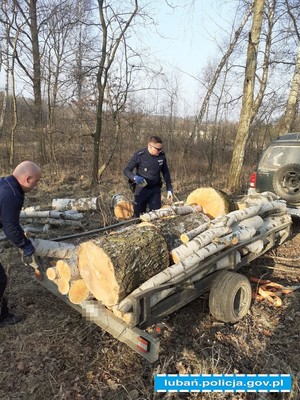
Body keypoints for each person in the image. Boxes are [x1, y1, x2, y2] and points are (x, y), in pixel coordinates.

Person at [0, 161, 41, 327]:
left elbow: (9, 221)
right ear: (27, 178)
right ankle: (2, 317)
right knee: (0, 279)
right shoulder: (12, 195)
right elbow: (10, 227)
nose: (36, 186)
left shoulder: (6, 184)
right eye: (36, 181)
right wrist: (25, 245)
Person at [124, 136, 173, 217]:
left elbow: (165, 172)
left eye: (161, 149)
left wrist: (169, 188)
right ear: (149, 146)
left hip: (155, 190)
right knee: (139, 216)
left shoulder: (161, 156)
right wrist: (135, 177)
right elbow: (126, 170)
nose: (159, 151)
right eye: (157, 149)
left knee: (156, 215)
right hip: (141, 190)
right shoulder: (139, 155)